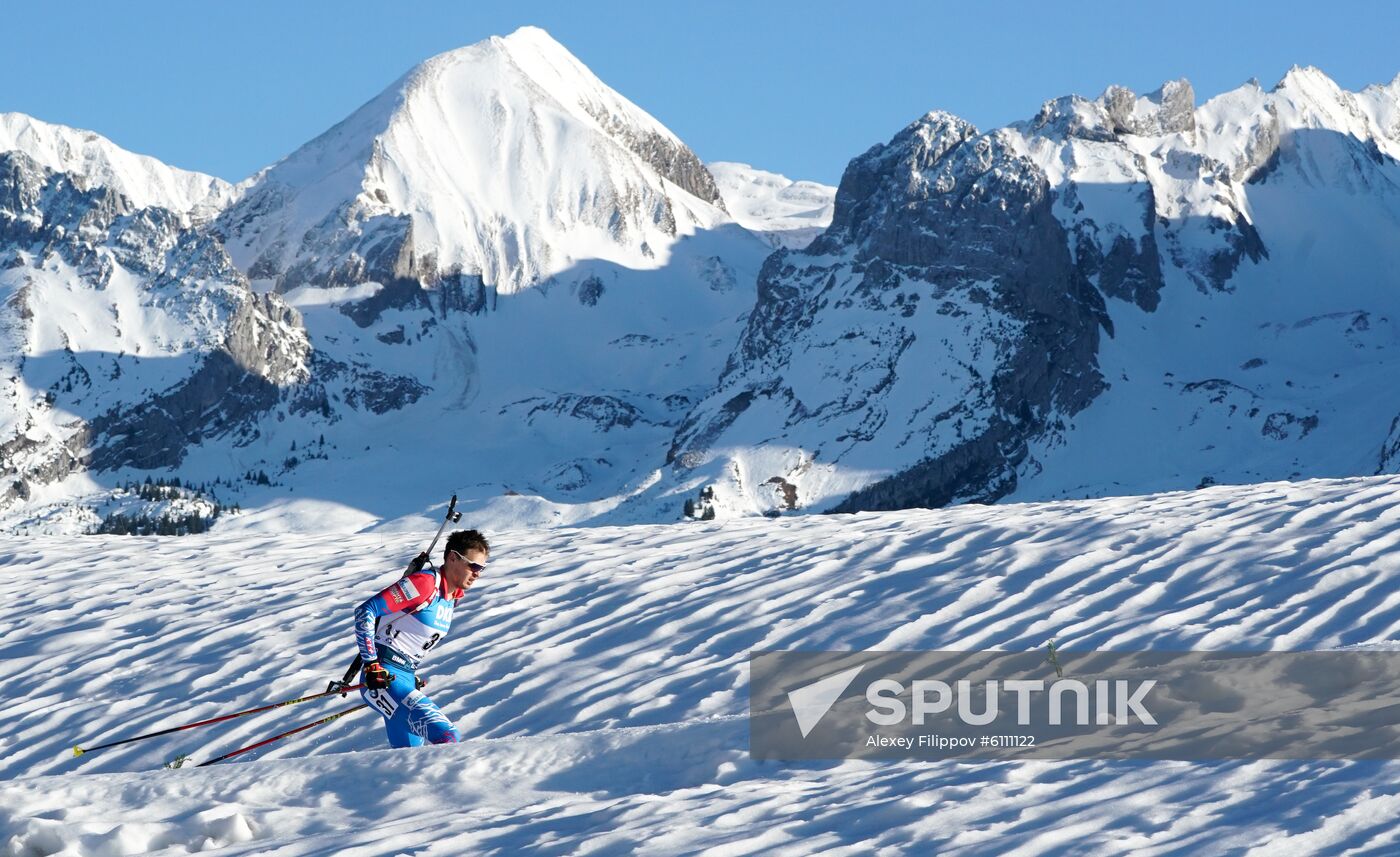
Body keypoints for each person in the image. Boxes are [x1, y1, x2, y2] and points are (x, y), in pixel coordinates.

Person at [353, 529, 489, 747]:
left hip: (403, 678)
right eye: (473, 566)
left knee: (410, 763)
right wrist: (371, 664)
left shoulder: (451, 598)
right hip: (381, 679)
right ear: (452, 557)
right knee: (448, 737)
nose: (477, 573)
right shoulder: (425, 583)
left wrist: (408, 670)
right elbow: (365, 612)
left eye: (482, 568)